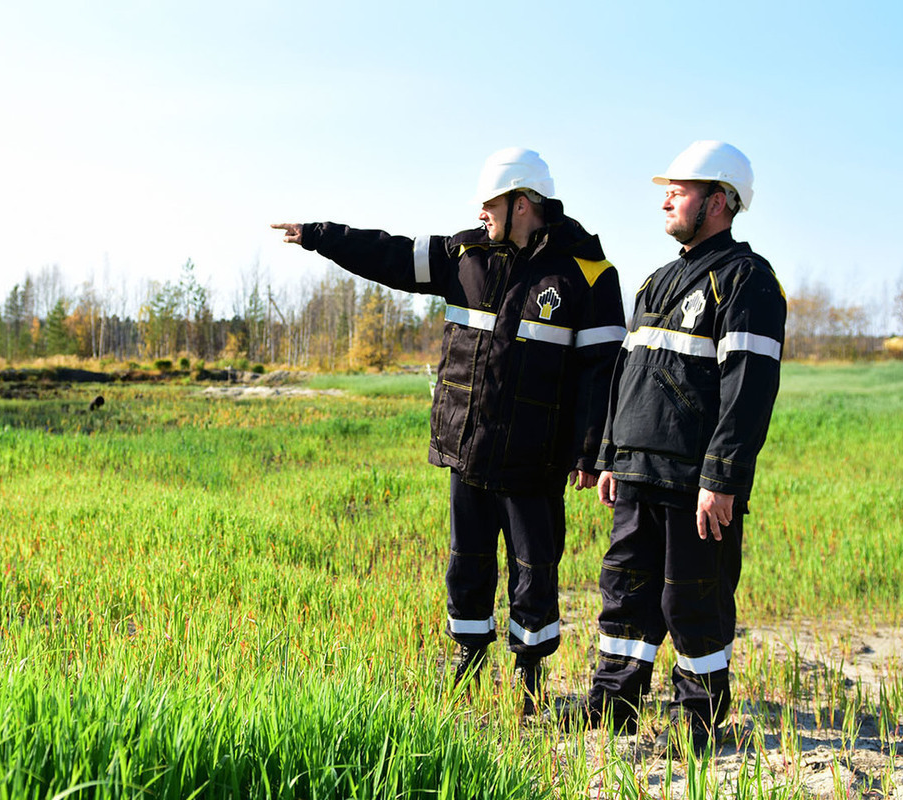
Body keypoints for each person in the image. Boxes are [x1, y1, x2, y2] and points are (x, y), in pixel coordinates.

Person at [272, 147, 626, 720]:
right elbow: (387, 254)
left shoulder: (587, 274)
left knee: (535, 570)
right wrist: (319, 235)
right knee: (467, 563)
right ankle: (466, 660)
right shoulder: (465, 256)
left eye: (491, 202)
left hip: (535, 461)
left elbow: (603, 372)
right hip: (468, 449)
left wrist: (592, 450)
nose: (482, 212)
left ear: (523, 203)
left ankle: (530, 676)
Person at [571, 141, 786, 755]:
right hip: (637, 471)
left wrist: (721, 478)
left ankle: (700, 721)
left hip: (696, 484)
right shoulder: (657, 280)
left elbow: (748, 390)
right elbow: (627, 375)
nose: (667, 197)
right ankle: (614, 707)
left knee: (692, 599)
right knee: (626, 593)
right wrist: (613, 454)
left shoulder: (748, 280)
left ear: (718, 202)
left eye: (681, 189)